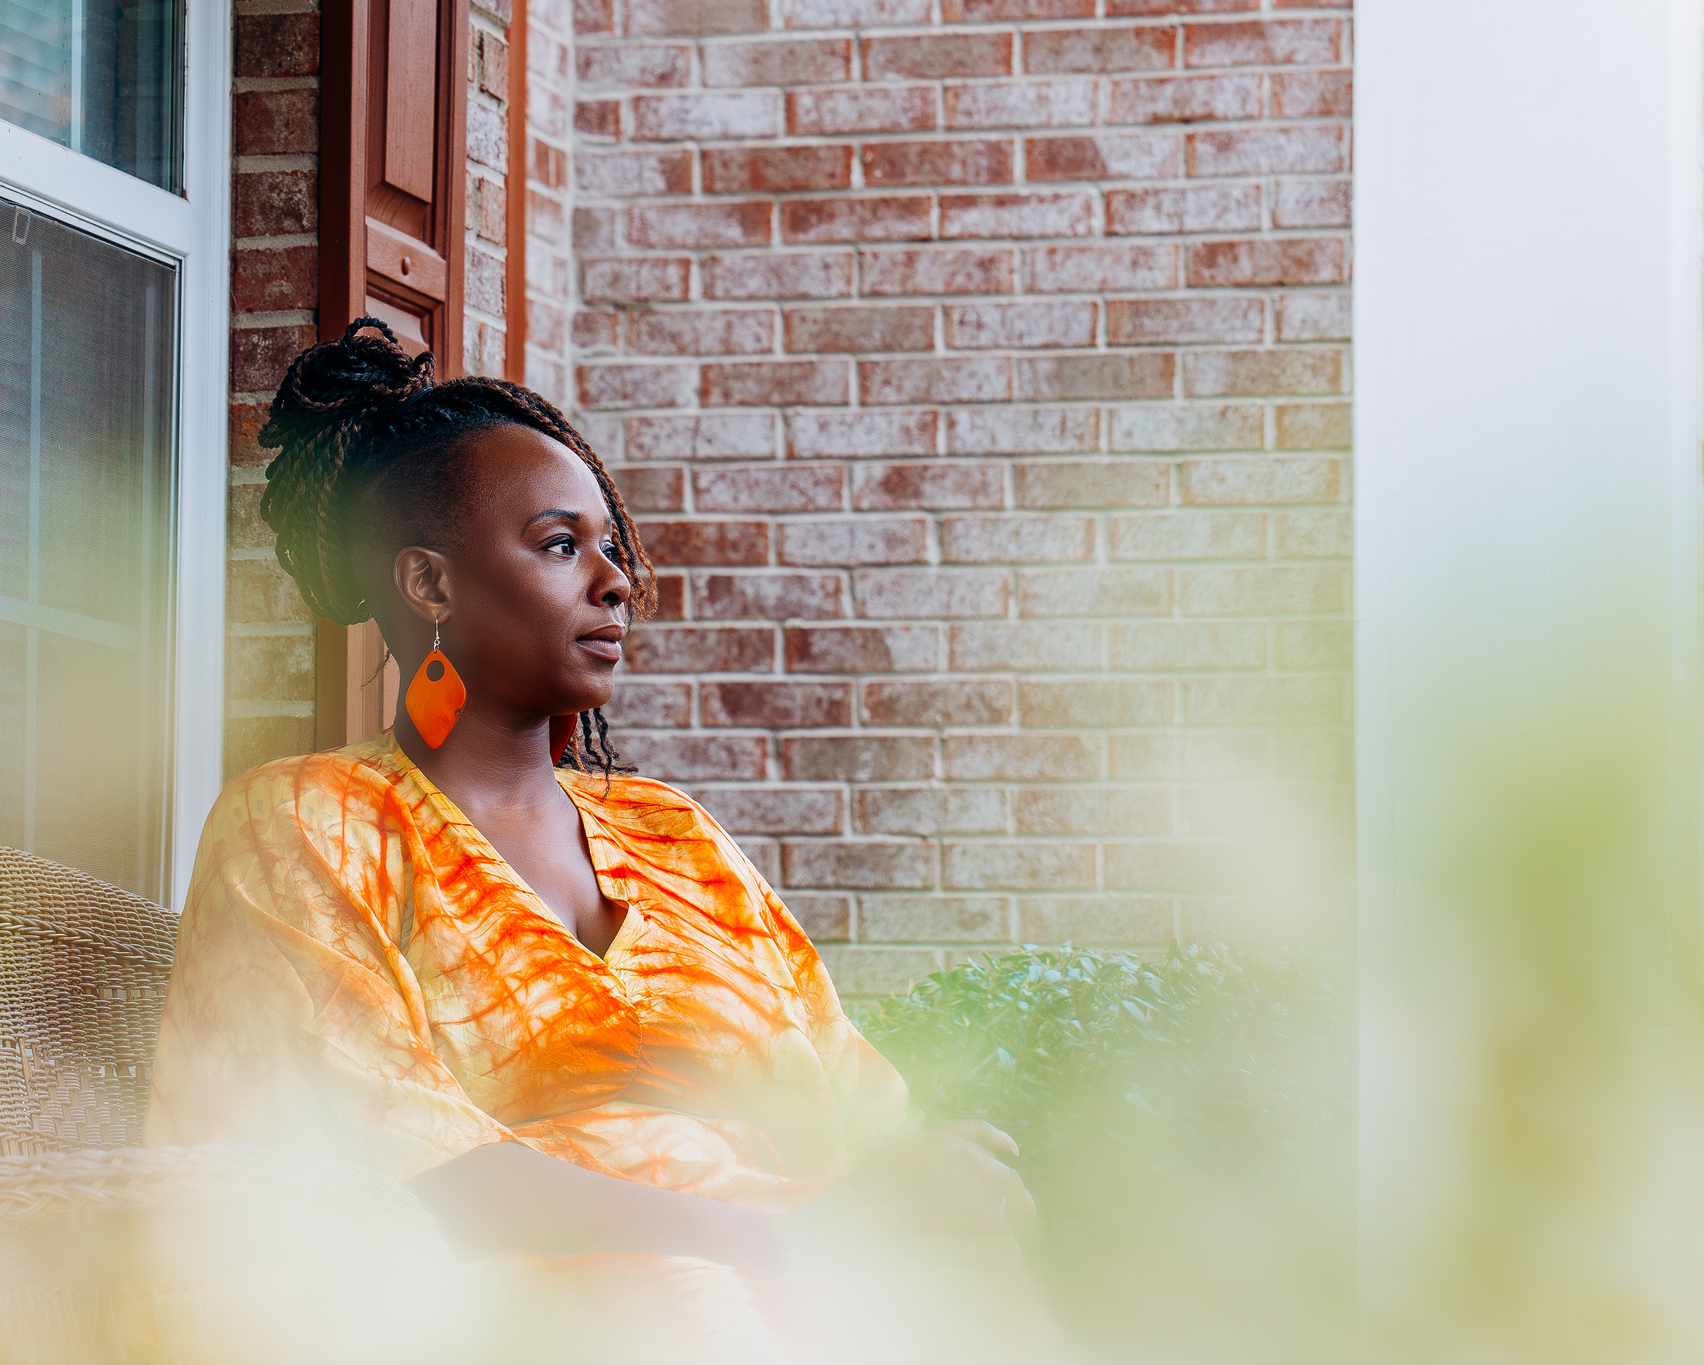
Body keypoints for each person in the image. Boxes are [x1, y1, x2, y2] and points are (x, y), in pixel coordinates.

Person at [145, 318, 1056, 1363]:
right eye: (559, 546)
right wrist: (787, 1240)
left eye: (611, 549)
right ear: (429, 586)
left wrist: (919, 1181)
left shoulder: (678, 837)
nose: (614, 581)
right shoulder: (312, 823)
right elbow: (382, 1162)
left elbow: (852, 1111)